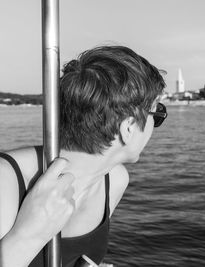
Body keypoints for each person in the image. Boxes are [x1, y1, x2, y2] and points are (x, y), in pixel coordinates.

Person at [0, 46, 167, 267]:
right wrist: (26, 237)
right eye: (157, 113)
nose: (155, 125)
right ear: (129, 128)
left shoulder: (114, 180)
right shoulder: (5, 181)